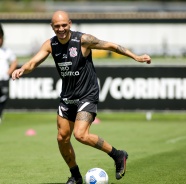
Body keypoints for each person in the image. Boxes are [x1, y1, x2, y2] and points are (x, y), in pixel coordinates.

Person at [12, 11, 151, 184]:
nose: (61, 29)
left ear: (70, 23)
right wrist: (22, 69)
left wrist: (136, 57)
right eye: (57, 26)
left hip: (87, 94)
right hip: (67, 97)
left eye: (64, 25)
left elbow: (111, 46)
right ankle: (76, 176)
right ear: (52, 27)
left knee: (80, 135)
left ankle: (118, 155)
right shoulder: (50, 44)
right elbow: (33, 62)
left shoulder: (83, 40)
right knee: (62, 138)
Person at [0, 23, 18, 124]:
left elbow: (14, 62)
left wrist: (8, 73)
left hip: (3, 79)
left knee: (3, 98)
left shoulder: (7, 51)